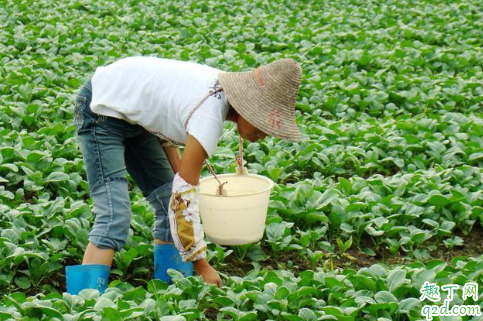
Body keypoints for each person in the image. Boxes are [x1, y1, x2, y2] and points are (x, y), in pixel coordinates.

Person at [65, 56, 302, 294]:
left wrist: (180, 183)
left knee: (170, 199)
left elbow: (165, 123)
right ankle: (84, 305)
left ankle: (170, 292)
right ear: (249, 106)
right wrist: (201, 265)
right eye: (264, 124)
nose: (264, 134)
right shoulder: (209, 113)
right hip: (101, 107)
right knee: (114, 215)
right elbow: (183, 199)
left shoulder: (215, 96)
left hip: (135, 118)